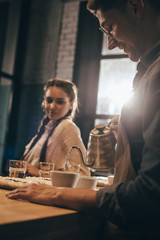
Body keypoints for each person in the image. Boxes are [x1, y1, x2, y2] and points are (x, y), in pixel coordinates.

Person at [6, 0, 160, 238]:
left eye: (109, 27)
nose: (109, 44)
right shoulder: (148, 72)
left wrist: (54, 193)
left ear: (136, 7)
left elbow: (149, 198)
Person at [20, 78, 90, 177]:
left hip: (44, 191)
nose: (52, 106)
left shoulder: (67, 127)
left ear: (71, 104)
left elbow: (83, 174)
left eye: (60, 102)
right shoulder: (47, 127)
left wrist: (39, 173)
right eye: (49, 100)